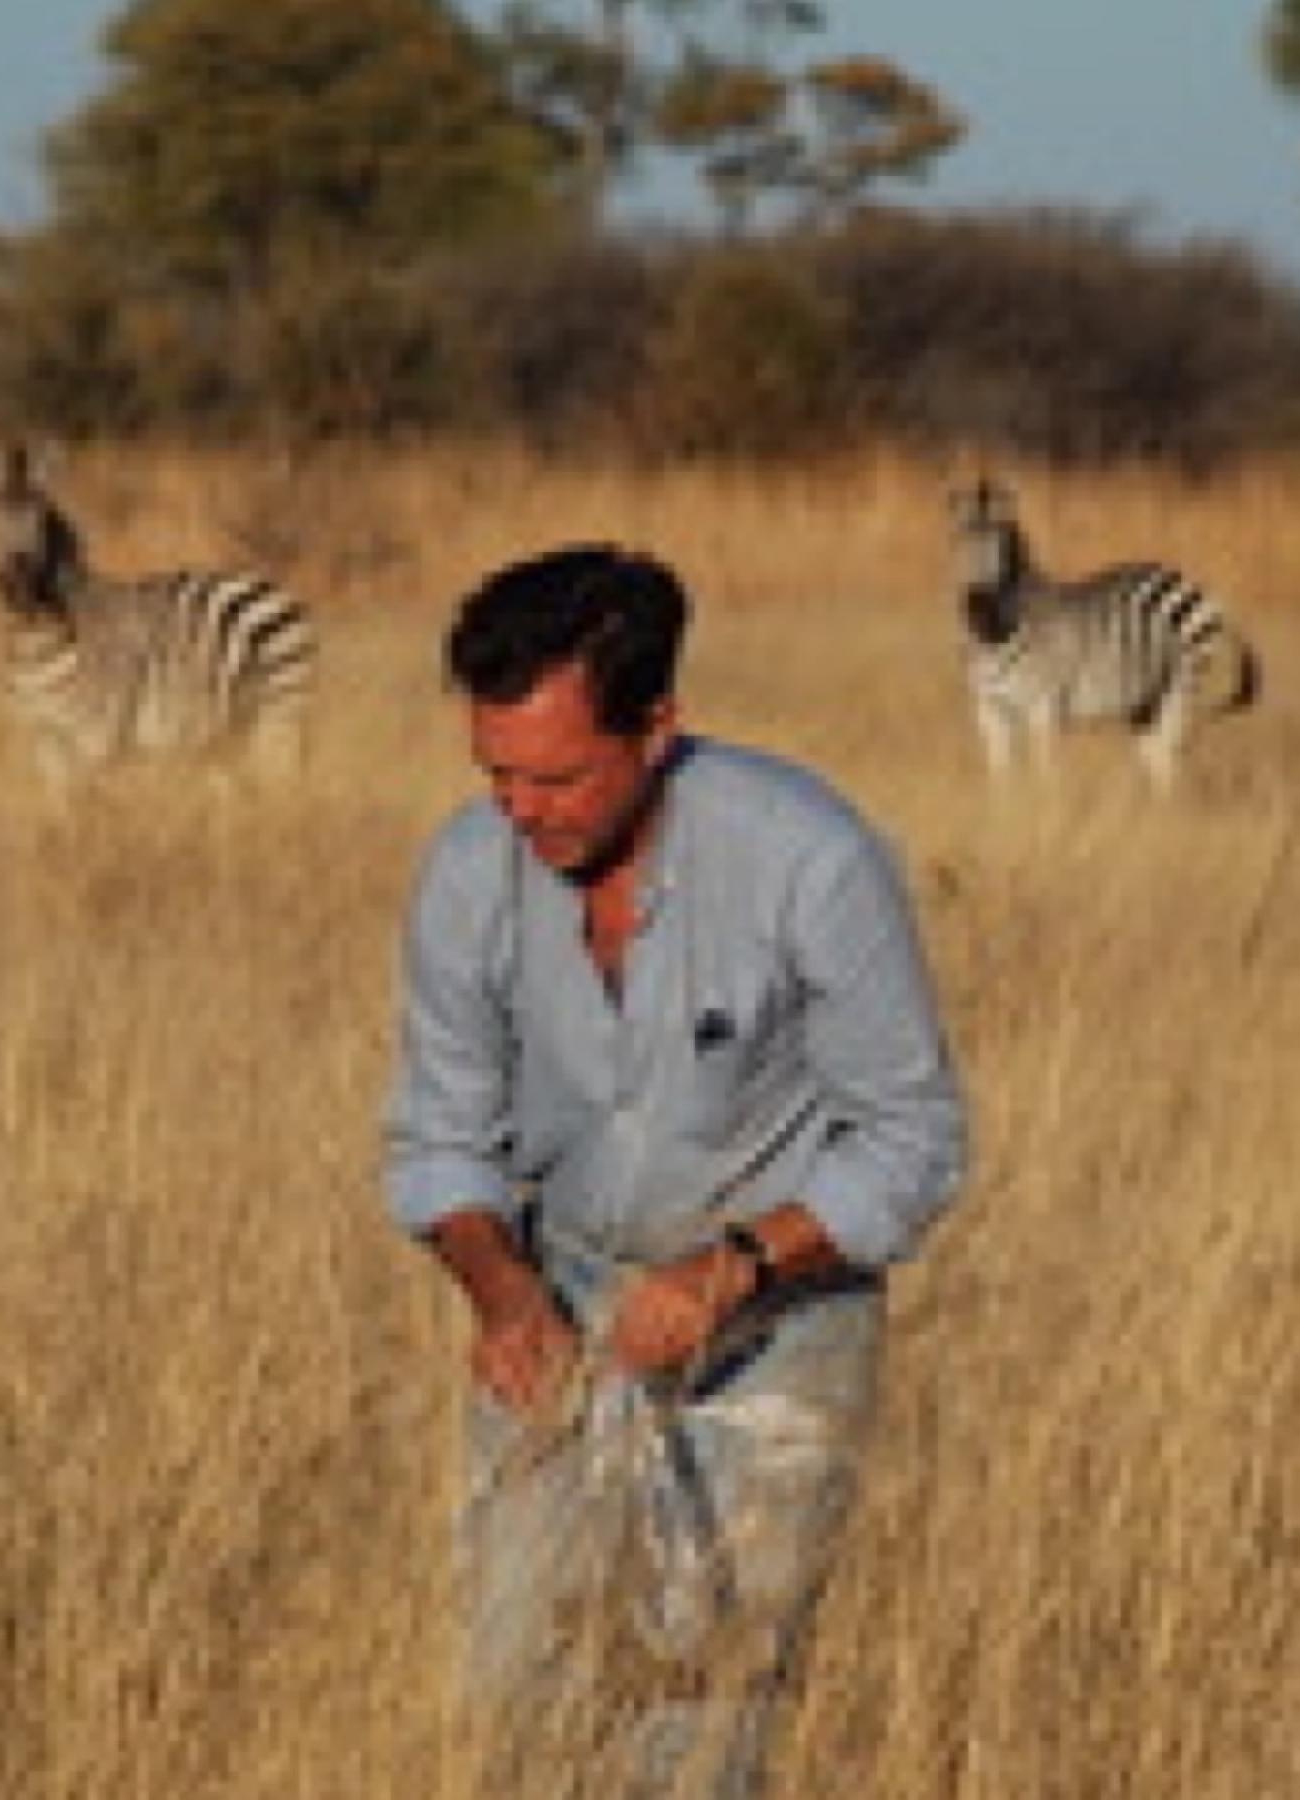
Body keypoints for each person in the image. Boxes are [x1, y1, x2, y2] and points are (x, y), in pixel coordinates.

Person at [383, 545, 968, 1796]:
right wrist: (500, 1295)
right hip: (563, 1301)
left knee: (699, 1715)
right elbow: (438, 1139)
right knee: (512, 1693)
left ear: (657, 726)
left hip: (784, 1325)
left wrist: (734, 1269)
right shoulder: (463, 872)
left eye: (556, 777)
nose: (520, 811)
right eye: (495, 774)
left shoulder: (811, 858)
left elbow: (912, 1138)